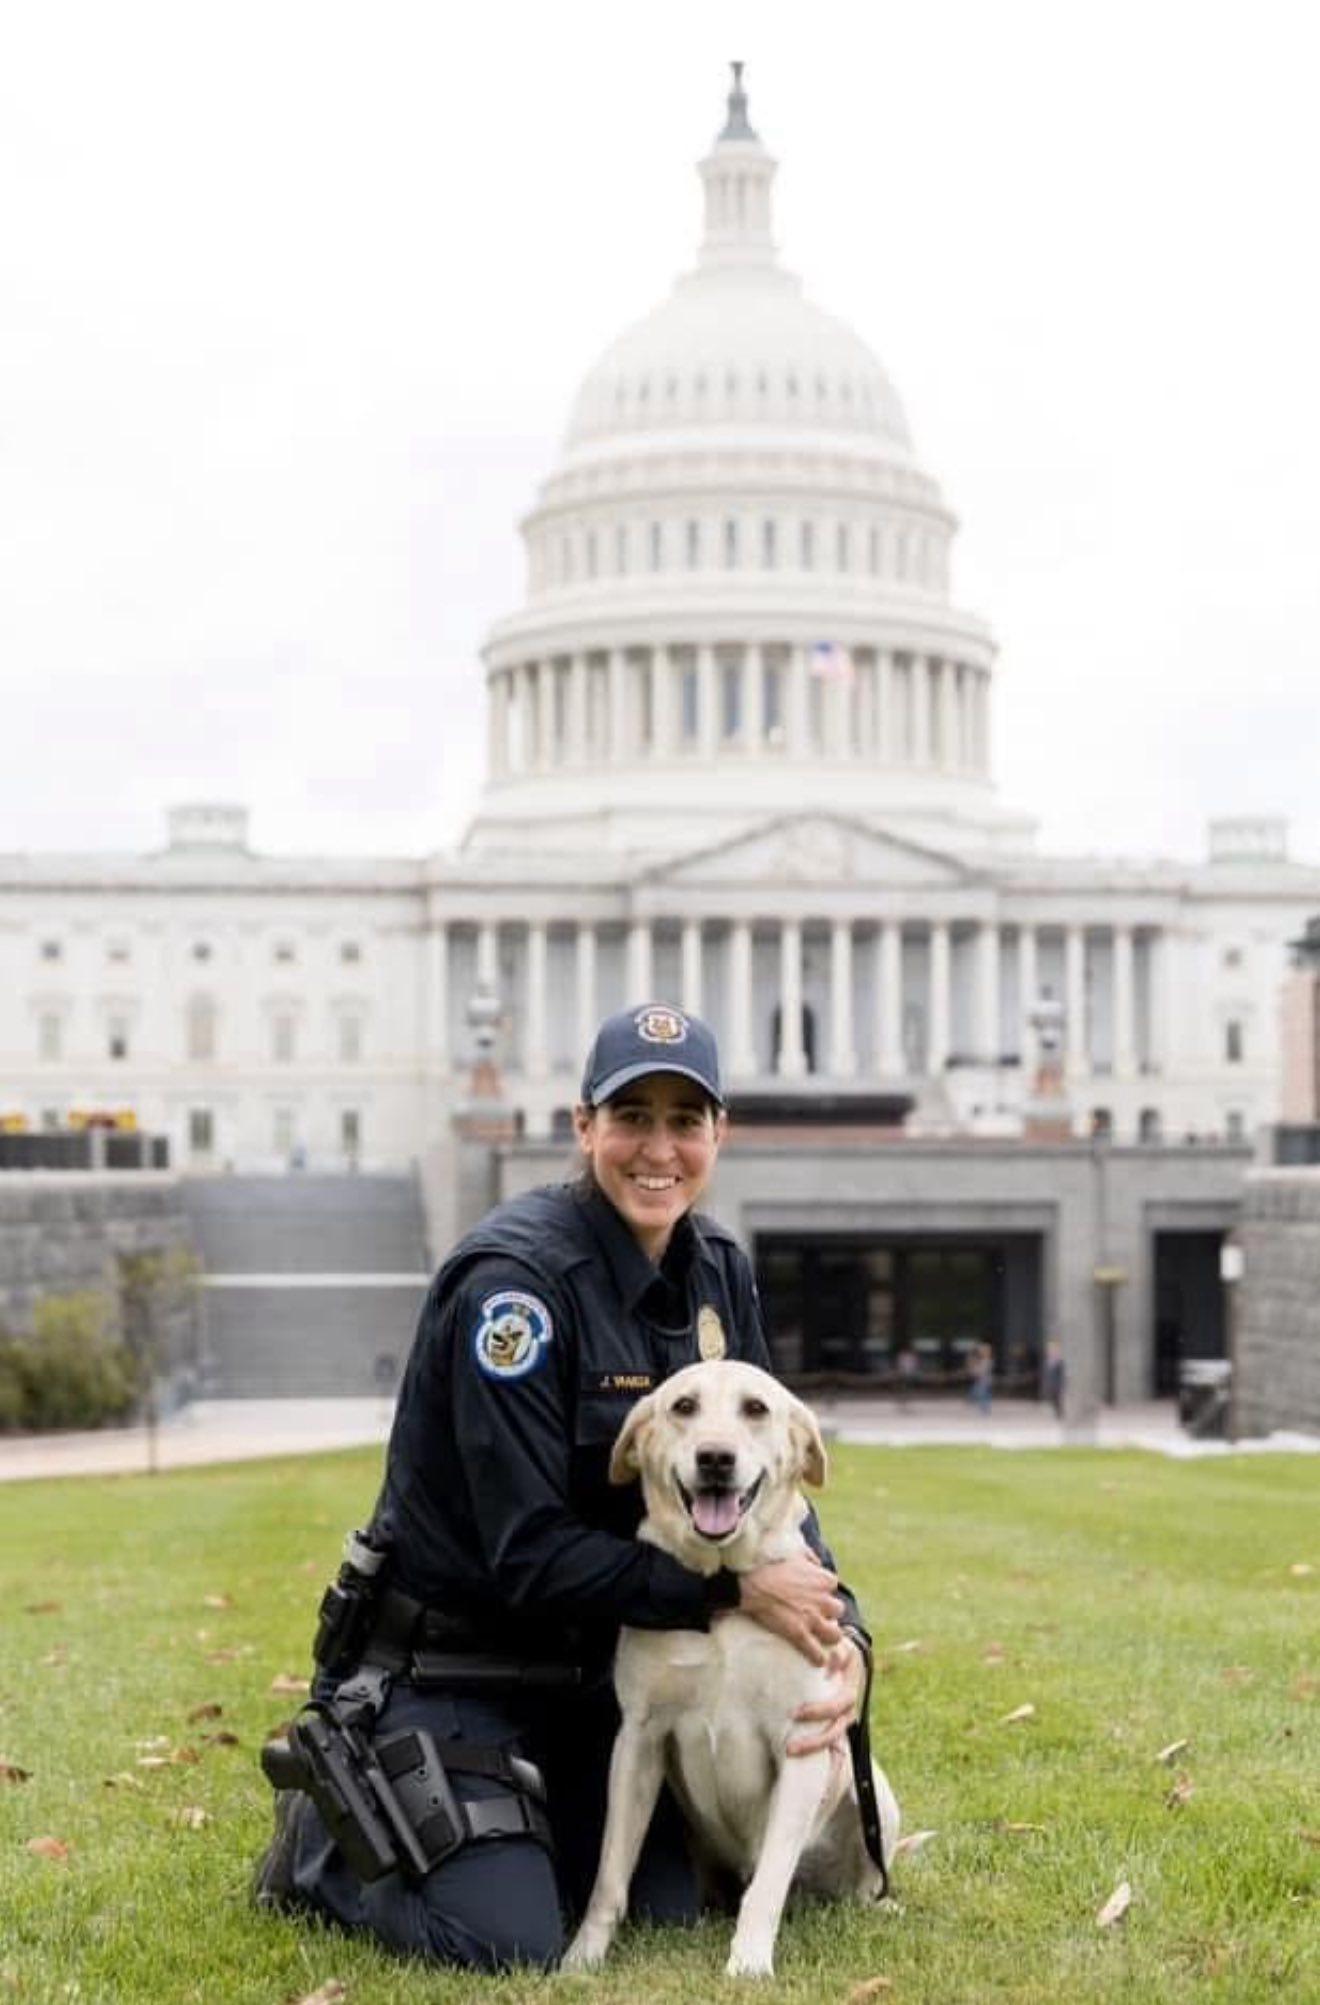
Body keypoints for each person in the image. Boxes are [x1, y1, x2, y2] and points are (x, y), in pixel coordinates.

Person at [252, 1002, 872, 1971]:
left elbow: (768, 1487)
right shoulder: (516, 1287)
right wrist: (729, 1591)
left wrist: (848, 1644)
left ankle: (508, 1816)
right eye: (632, 1116)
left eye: (684, 1119)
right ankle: (318, 1843)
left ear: (718, 1134)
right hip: (452, 1666)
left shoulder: (718, 1272)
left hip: (592, 1674)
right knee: (507, 1940)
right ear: (583, 1127)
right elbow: (528, 1551)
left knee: (668, 1910)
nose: (657, 1148)